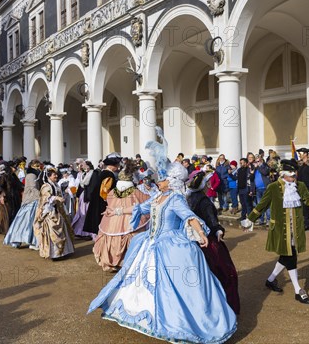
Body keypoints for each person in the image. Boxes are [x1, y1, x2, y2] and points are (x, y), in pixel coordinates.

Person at [88, 129, 237, 343]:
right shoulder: (159, 196)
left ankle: (178, 320)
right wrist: (137, 210)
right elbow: (145, 206)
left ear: (173, 180)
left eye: (164, 177)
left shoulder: (175, 199)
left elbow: (189, 217)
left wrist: (201, 233)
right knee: (137, 280)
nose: (160, 179)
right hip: (149, 242)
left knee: (172, 286)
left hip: (170, 245)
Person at [242, 159, 309, 304]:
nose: (294, 178)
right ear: (284, 174)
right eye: (292, 176)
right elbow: (262, 205)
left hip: (295, 229)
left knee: (287, 255)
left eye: (295, 175)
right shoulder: (273, 187)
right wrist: (250, 220)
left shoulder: (300, 186)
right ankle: (298, 290)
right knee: (291, 256)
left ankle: (271, 280)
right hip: (280, 229)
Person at [186, 170, 241, 314]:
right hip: (206, 240)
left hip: (191, 240)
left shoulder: (189, 198)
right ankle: (223, 307)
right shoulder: (204, 202)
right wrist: (218, 229)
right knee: (224, 271)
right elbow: (211, 221)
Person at [93, 160, 150, 271]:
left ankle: (111, 260)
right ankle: (126, 261)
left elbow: (109, 203)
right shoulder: (136, 192)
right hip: (129, 220)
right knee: (131, 235)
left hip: (111, 221)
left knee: (111, 236)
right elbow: (147, 203)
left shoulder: (112, 193)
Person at [33, 168, 75, 260]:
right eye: (53, 175)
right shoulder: (46, 186)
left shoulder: (56, 185)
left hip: (58, 211)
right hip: (49, 212)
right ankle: (55, 254)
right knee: (52, 231)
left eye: (56, 174)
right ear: (48, 176)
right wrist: (56, 198)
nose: (56, 176)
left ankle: (63, 252)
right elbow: (46, 199)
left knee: (63, 229)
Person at [3, 160, 42, 248]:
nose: (38, 167)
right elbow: (33, 188)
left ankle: (30, 241)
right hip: (31, 200)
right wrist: (41, 196)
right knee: (26, 221)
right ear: (32, 166)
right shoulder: (32, 175)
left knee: (28, 221)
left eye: (38, 165)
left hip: (32, 200)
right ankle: (17, 240)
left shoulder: (34, 174)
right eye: (36, 165)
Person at [83, 153, 120, 237]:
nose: (118, 167)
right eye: (117, 165)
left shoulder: (103, 173)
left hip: (97, 202)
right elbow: (104, 192)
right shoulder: (108, 174)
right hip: (102, 204)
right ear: (112, 166)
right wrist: (110, 204)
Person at [72, 161, 94, 238]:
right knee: (81, 214)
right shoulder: (82, 174)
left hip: (88, 197)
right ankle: (80, 231)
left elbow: (91, 185)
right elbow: (80, 185)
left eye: (83, 165)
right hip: (82, 196)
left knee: (87, 214)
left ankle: (88, 233)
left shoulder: (92, 174)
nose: (82, 167)